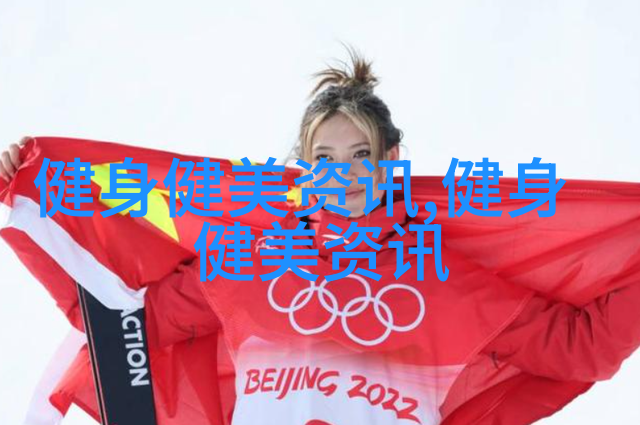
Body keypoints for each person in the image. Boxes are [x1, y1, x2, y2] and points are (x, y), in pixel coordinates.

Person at [2, 49, 640, 425]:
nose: (344, 174)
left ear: (391, 162)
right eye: (325, 157)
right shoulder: (251, 262)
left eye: (361, 154)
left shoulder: (440, 277)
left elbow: (580, 349)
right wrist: (26, 207)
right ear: (304, 168)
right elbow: (119, 325)